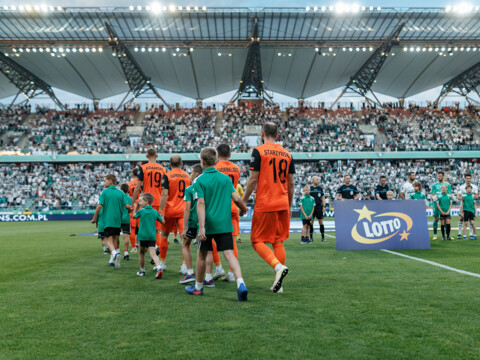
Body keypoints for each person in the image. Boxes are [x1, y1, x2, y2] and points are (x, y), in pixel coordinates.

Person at [185, 148, 248, 300]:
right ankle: (241, 283)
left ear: (203, 162)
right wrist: (243, 209)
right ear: (217, 160)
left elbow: (200, 203)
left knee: (202, 254)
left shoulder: (198, 180)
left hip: (207, 224)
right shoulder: (225, 179)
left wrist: (201, 228)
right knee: (229, 253)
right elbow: (237, 199)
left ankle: (198, 288)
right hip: (224, 222)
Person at [243, 122, 294, 293]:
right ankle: (278, 283)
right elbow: (291, 183)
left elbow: (253, 179)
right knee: (277, 241)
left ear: (262, 133)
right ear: (277, 134)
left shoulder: (259, 151)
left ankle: (278, 267)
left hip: (266, 202)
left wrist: (244, 200)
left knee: (257, 241)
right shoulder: (287, 154)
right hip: (282, 202)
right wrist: (288, 204)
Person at [211, 144, 241, 282]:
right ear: (229, 154)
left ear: (217, 154)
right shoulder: (237, 168)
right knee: (233, 241)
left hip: (219, 207)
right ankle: (232, 273)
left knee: (212, 238)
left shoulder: (214, 168)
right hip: (233, 206)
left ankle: (218, 267)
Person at [159, 155, 191, 272]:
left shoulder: (167, 176)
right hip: (184, 210)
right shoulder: (188, 176)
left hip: (170, 210)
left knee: (164, 235)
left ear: (170, 164)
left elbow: (164, 194)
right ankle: (184, 266)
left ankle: (162, 263)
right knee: (185, 238)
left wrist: (161, 211)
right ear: (181, 164)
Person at [91, 174, 130, 268]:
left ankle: (115, 254)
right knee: (114, 240)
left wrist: (94, 217)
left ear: (110, 181)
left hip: (108, 220)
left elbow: (100, 206)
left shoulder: (105, 192)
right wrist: (130, 210)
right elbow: (127, 206)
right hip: (118, 221)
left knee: (108, 240)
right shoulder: (121, 192)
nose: (103, 182)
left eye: (105, 180)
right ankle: (111, 261)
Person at [131, 148, 167, 251]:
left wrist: (133, 202)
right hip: (159, 201)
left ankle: (147, 249)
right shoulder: (163, 169)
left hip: (146, 201)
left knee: (145, 226)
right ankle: (157, 248)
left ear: (146, 156)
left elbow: (138, 187)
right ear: (157, 155)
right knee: (157, 229)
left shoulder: (143, 168)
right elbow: (165, 189)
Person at [179, 164, 203, 284]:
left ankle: (190, 273)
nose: (190, 174)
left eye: (191, 172)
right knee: (205, 249)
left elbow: (187, 209)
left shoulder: (190, 189)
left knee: (185, 244)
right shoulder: (206, 187)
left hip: (193, 222)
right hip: (204, 221)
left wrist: (183, 228)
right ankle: (207, 277)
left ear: (196, 174)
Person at [133, 193, 165, 278]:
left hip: (142, 236)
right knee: (153, 254)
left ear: (146, 201)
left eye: (140, 201)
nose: (139, 202)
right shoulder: (155, 212)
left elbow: (134, 216)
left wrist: (136, 207)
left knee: (141, 253)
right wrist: (162, 216)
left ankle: (142, 271)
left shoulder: (141, 211)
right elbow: (163, 222)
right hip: (151, 236)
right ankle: (159, 268)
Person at [430, 171, 452, 240]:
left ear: (443, 176)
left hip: (445, 204)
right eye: (438, 176)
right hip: (436, 204)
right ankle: (435, 234)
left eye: (440, 176)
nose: (438, 177)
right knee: (436, 219)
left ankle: (447, 235)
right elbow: (431, 194)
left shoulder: (448, 185)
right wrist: (433, 198)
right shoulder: (434, 185)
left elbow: (450, 194)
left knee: (446, 220)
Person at [456, 173, 479, 239]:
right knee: (461, 218)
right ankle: (460, 233)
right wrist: (461, 198)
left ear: (471, 179)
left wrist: (475, 197)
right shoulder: (461, 187)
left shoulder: (474, 187)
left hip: (471, 205)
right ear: (465, 179)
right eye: (467, 178)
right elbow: (458, 196)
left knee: (471, 221)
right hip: (464, 205)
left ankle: (471, 234)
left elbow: (476, 196)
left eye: (469, 178)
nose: (468, 180)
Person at [309, 176, 326, 242]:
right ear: (313, 180)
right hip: (312, 207)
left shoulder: (320, 188)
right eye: (317, 179)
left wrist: (324, 206)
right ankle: (311, 238)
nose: (318, 180)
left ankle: (323, 237)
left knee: (321, 222)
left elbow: (323, 198)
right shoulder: (310, 188)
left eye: (318, 179)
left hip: (319, 207)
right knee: (311, 222)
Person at [119, 183, 133, 260]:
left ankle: (117, 252)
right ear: (128, 190)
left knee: (116, 236)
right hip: (126, 219)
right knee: (126, 236)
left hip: (118, 219)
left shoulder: (118, 198)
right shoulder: (130, 199)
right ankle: (126, 253)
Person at [128, 168, 139, 251]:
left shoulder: (129, 184)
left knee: (132, 228)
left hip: (133, 206)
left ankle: (134, 247)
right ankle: (142, 244)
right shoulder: (142, 183)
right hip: (143, 206)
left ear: (132, 175)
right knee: (143, 226)